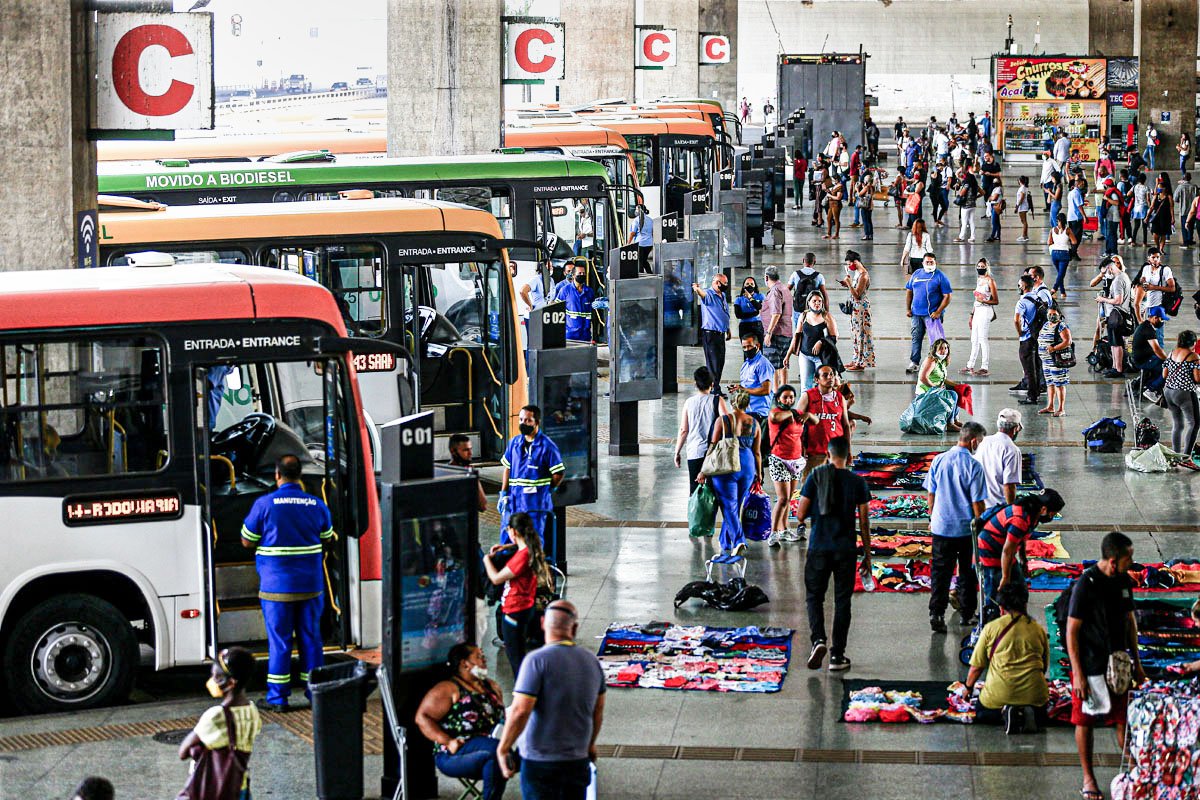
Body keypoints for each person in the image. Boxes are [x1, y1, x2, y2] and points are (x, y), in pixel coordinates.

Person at [240, 455, 332, 712]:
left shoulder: (264, 504)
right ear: (299, 475)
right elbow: (326, 536)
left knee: (280, 642)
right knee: (311, 638)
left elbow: (247, 540)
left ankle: (278, 699)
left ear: (277, 475)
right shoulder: (316, 504)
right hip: (311, 585)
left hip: (276, 588)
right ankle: (316, 695)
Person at [498, 601, 605, 800]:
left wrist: (504, 748)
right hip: (577, 759)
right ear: (574, 628)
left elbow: (521, 710)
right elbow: (597, 711)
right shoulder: (592, 662)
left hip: (540, 762)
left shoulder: (535, 661)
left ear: (542, 623)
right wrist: (589, 745)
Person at [1067, 531, 1145, 800]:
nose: (1131, 562)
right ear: (1113, 560)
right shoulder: (1086, 584)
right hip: (1090, 664)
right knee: (1085, 720)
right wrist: (1078, 674)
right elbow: (1072, 630)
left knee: (1123, 720)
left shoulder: (1123, 580)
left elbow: (1129, 620)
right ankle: (1088, 779)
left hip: (1118, 663)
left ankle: (1135, 771)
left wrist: (1137, 661)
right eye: (1128, 558)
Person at [795, 436, 870, 673]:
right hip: (845, 549)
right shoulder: (857, 482)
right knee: (842, 601)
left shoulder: (816, 477)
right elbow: (865, 521)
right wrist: (867, 553)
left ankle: (818, 640)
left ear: (828, 455)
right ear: (849, 457)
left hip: (818, 547)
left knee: (814, 597)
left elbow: (799, 515)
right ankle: (837, 656)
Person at [417, 643, 510, 800]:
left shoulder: (490, 686)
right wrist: (447, 741)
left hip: (490, 746)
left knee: (513, 755)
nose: (484, 660)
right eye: (478, 657)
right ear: (464, 664)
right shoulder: (449, 688)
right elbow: (422, 718)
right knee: (497, 754)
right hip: (456, 753)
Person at [925, 422, 987, 634]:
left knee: (940, 572)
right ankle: (967, 613)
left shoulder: (939, 459)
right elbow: (978, 503)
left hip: (941, 527)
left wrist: (932, 517)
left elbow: (931, 493)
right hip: (965, 530)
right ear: (973, 441)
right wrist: (983, 526)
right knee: (967, 573)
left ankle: (937, 613)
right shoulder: (974, 466)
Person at [962, 584, 1049, 733]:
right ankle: (1027, 712)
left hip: (999, 694)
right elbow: (1044, 665)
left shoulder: (991, 628)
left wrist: (968, 688)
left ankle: (1006, 712)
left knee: (982, 712)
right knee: (1041, 712)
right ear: (1025, 605)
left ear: (1001, 607)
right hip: (1035, 695)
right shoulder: (1037, 629)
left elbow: (977, 667)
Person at [177, 647, 261, 800]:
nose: (212, 681)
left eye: (216, 677)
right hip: (239, 787)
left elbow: (182, 752)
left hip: (214, 789)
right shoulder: (253, 710)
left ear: (231, 682)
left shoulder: (216, 715)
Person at [976, 489, 1065, 623]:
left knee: (1021, 587)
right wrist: (1005, 577)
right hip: (989, 550)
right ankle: (990, 622)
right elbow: (1007, 550)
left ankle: (1020, 621)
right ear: (1044, 509)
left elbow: (1021, 539)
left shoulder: (1033, 515)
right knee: (996, 591)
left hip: (1004, 551)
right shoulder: (1020, 518)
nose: (1052, 517)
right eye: (1052, 513)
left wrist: (1024, 561)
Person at [484, 512, 553, 675]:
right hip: (526, 607)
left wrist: (486, 559)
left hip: (515, 610)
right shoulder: (530, 549)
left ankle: (523, 693)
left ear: (513, 532)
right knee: (519, 654)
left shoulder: (521, 558)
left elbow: (495, 578)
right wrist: (506, 547)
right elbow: (519, 546)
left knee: (516, 658)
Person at [699, 388, 760, 558]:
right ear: (747, 404)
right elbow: (757, 452)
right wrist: (759, 473)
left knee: (728, 506)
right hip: (748, 464)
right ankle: (726, 541)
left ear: (732, 403)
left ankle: (739, 540)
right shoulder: (754, 423)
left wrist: (703, 470)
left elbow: (712, 445)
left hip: (727, 463)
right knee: (736, 504)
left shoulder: (723, 420)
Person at [499, 405, 565, 545]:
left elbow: (558, 473)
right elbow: (507, 468)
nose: (524, 423)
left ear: (537, 422)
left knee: (532, 541)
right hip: (513, 501)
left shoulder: (547, 446)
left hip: (535, 503)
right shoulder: (514, 443)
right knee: (507, 539)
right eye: (521, 419)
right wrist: (503, 494)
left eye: (528, 420)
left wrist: (548, 489)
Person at [675, 367, 729, 494]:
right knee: (713, 492)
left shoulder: (689, 403)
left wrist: (677, 452)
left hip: (694, 452)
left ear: (695, 384)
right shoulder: (717, 400)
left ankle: (695, 514)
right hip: (713, 452)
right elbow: (727, 421)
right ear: (712, 384)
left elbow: (683, 430)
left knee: (695, 491)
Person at [796, 365, 850, 480]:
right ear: (816, 379)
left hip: (836, 452)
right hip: (815, 452)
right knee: (812, 489)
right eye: (825, 375)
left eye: (831, 374)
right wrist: (799, 449)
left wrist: (848, 450)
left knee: (836, 488)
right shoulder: (808, 396)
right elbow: (796, 425)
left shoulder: (840, 398)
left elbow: (846, 426)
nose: (830, 377)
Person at [767, 385, 805, 547]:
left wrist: (808, 414)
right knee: (782, 498)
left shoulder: (798, 414)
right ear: (778, 399)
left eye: (791, 397)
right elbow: (776, 419)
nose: (789, 400)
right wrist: (793, 413)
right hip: (779, 460)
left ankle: (784, 529)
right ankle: (773, 532)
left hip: (796, 461)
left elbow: (815, 421)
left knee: (789, 498)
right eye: (785, 397)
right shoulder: (774, 413)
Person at [731, 332, 775, 465]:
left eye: (750, 347)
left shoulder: (763, 364)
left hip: (758, 413)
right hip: (746, 411)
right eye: (744, 347)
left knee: (754, 452)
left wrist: (743, 390)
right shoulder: (746, 364)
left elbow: (766, 389)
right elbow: (748, 386)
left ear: (757, 345)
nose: (747, 350)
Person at [905, 252, 952, 374]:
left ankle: (936, 364)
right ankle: (914, 362)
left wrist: (938, 311)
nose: (929, 264)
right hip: (916, 314)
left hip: (931, 315)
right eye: (927, 262)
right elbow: (909, 291)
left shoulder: (940, 276)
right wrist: (908, 309)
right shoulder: (916, 274)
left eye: (931, 262)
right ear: (923, 263)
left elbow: (947, 296)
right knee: (916, 337)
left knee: (935, 340)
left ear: (935, 262)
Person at [786, 290, 839, 391]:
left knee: (824, 386)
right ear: (808, 302)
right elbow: (797, 337)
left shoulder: (827, 317)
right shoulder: (804, 316)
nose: (817, 303)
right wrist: (787, 355)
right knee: (805, 387)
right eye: (814, 301)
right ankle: (805, 406)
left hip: (821, 358)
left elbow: (834, 337)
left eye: (820, 301)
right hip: (805, 356)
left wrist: (821, 342)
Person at [974, 408, 1023, 507]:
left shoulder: (984, 441)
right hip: (997, 506)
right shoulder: (1012, 449)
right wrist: (1010, 511)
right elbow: (1009, 486)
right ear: (1016, 428)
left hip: (979, 503)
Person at [1163, 330, 1200, 455]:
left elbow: (1164, 374)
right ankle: (1186, 456)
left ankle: (1176, 454)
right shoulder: (1193, 356)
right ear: (1193, 342)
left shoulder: (1171, 353)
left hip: (1168, 392)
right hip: (1184, 393)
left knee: (1178, 424)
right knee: (1193, 423)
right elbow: (1197, 378)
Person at [1097, 254, 1134, 377]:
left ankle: (1118, 369)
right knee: (1113, 342)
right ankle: (1114, 366)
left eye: (1105, 272)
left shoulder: (1118, 280)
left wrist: (1103, 299)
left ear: (1109, 268)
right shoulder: (1124, 276)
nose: (1106, 275)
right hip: (1119, 314)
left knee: (1116, 343)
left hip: (1117, 315)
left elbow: (1118, 300)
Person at [693, 272, 730, 389]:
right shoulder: (709, 294)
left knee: (720, 363)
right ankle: (714, 390)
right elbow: (702, 294)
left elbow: (724, 313)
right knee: (713, 364)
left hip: (720, 334)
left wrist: (727, 329)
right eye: (725, 283)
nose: (726, 285)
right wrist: (697, 289)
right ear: (717, 283)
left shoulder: (722, 295)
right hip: (711, 335)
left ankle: (716, 387)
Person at [1014, 275, 1046, 408]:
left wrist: (1020, 332)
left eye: (1019, 284)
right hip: (1037, 335)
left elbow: (1016, 320)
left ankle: (1032, 396)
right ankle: (1036, 391)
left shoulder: (1022, 302)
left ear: (1024, 286)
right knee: (1037, 366)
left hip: (1026, 338)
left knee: (1028, 369)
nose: (1018, 286)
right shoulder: (1037, 297)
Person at [839, 250, 873, 371]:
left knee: (861, 334)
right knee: (855, 333)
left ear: (855, 262)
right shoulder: (858, 273)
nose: (849, 267)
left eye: (849, 264)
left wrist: (848, 284)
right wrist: (848, 284)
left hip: (861, 307)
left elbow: (857, 295)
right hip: (856, 307)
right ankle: (855, 358)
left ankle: (860, 362)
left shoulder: (863, 275)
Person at [965, 258, 999, 376]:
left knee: (982, 339)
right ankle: (970, 365)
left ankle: (984, 366)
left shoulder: (990, 281)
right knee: (974, 339)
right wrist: (972, 315)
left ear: (987, 267)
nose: (980, 268)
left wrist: (983, 301)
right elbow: (976, 300)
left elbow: (996, 301)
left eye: (982, 266)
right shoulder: (979, 279)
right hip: (977, 311)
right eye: (978, 266)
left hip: (985, 311)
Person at [761, 266, 794, 388]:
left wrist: (769, 333)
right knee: (783, 364)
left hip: (776, 334)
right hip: (786, 332)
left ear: (766, 277)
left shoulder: (775, 291)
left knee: (773, 366)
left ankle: (776, 393)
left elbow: (776, 313)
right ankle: (784, 389)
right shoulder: (784, 288)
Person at [1038, 306, 1073, 417]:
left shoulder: (1061, 326)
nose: (1051, 316)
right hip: (1046, 361)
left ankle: (1061, 408)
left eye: (1054, 314)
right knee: (1050, 383)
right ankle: (1050, 406)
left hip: (1056, 360)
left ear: (1059, 314)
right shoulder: (1046, 324)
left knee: (1059, 384)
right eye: (1050, 314)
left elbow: (1068, 341)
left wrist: (1054, 348)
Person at [1131, 308, 1169, 401]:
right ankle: (1151, 389)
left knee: (1161, 365)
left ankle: (1148, 385)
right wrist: (1169, 360)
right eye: (1161, 319)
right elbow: (1157, 350)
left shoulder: (1146, 326)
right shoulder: (1148, 329)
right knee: (1168, 367)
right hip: (1143, 360)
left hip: (1146, 357)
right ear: (1155, 318)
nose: (1162, 322)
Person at [554, 261, 595, 342]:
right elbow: (557, 309)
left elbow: (592, 310)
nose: (582, 275)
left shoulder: (589, 291)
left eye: (583, 273)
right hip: (570, 333)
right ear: (573, 275)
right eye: (579, 273)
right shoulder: (565, 290)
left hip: (585, 333)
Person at [788, 253, 828, 331]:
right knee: (812, 333)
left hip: (798, 309)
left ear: (803, 260)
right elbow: (825, 295)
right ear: (814, 262)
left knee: (798, 332)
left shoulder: (795, 274)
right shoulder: (819, 276)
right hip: (813, 310)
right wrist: (826, 312)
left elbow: (786, 291)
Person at [449, 433, 487, 513]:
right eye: (466, 450)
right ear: (453, 451)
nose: (470, 453)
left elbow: (483, 506)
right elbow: (482, 505)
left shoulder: (468, 472)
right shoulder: (449, 475)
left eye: (470, 449)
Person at [1046, 213, 1076, 301]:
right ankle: (1054, 289)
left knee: (1060, 273)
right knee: (1061, 274)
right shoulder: (1068, 230)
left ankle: (1062, 292)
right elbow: (1074, 241)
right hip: (1064, 254)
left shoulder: (1052, 230)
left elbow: (1049, 242)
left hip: (1054, 254)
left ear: (1057, 221)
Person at [953, 164, 980, 243]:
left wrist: (959, 193)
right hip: (973, 204)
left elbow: (962, 193)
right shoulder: (975, 184)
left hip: (966, 205)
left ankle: (961, 237)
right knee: (971, 221)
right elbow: (983, 192)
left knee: (964, 222)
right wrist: (975, 197)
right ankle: (972, 237)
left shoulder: (966, 183)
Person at [1148, 174, 1175, 252]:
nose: (1159, 189)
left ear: (1165, 188)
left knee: (1163, 234)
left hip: (1165, 217)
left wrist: (1173, 217)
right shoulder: (1156, 196)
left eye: (1160, 188)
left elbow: (1171, 207)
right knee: (1155, 233)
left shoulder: (1169, 197)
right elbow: (1152, 206)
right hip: (1157, 217)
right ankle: (1157, 246)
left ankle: (1161, 249)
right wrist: (1147, 216)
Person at [733, 277, 764, 343]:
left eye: (751, 284)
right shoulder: (739, 299)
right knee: (747, 350)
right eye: (747, 284)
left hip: (757, 325)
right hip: (744, 326)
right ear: (744, 286)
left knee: (759, 348)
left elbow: (759, 307)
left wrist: (750, 297)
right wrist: (755, 313)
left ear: (755, 286)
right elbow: (738, 315)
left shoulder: (760, 296)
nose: (749, 285)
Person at [1066, 176, 1088, 262]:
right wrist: (1084, 216)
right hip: (1076, 218)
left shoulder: (1071, 192)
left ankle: (1073, 253)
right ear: (1078, 183)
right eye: (1082, 183)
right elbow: (1079, 206)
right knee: (1077, 238)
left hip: (1070, 217)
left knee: (1073, 237)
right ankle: (1072, 253)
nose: (1083, 185)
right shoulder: (1077, 193)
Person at [627, 204, 654, 273]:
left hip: (640, 244)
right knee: (644, 260)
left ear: (639, 210)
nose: (635, 211)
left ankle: (641, 276)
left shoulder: (636, 220)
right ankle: (650, 273)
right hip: (649, 244)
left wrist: (628, 243)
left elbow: (632, 233)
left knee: (640, 262)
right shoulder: (650, 220)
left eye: (636, 209)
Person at [1176, 172, 1197, 248]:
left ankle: (1185, 242)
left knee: (1184, 226)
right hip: (1193, 210)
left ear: (1183, 178)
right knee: (1191, 225)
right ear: (1190, 178)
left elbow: (1175, 198)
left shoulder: (1180, 187)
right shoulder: (1194, 187)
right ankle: (1190, 239)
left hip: (1183, 210)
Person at [1130, 172, 1150, 246]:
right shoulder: (1146, 188)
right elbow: (1148, 199)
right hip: (1143, 208)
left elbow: (1129, 193)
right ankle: (1144, 242)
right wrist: (1150, 207)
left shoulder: (1135, 186)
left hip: (1136, 208)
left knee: (1136, 226)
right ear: (1144, 180)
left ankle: (1133, 241)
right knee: (1144, 226)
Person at [855, 171, 876, 240]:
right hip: (870, 205)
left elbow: (859, 194)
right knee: (869, 220)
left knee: (865, 221)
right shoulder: (872, 187)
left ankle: (867, 234)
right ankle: (871, 234)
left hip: (865, 205)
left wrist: (857, 189)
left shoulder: (866, 187)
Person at [824, 175, 845, 239]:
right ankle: (829, 233)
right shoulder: (835, 186)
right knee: (828, 218)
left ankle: (837, 234)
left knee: (836, 219)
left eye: (833, 180)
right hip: (831, 204)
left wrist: (830, 196)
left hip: (836, 204)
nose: (832, 181)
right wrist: (829, 192)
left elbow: (838, 198)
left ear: (836, 180)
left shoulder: (840, 187)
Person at [985, 175, 1004, 242]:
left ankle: (992, 236)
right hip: (994, 205)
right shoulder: (996, 188)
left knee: (994, 222)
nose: (994, 183)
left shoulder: (998, 188)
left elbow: (994, 198)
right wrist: (991, 198)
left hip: (996, 206)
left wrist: (990, 198)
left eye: (995, 182)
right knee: (997, 222)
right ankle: (998, 236)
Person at [1014, 175, 1031, 242]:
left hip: (1022, 207)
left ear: (1020, 181)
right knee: (1023, 221)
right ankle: (1025, 235)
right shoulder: (1024, 187)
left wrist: (1017, 206)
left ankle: (1024, 236)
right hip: (1022, 206)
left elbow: (1021, 198)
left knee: (1024, 222)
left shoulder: (1022, 188)